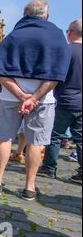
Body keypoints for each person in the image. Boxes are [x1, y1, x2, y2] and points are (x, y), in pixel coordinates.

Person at [0, 0, 72, 201]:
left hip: (10, 96)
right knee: (36, 143)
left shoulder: (12, 36)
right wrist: (33, 98)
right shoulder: (56, 35)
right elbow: (56, 74)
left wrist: (20, 95)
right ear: (46, 15)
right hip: (42, 100)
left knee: (5, 138)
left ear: (25, 14)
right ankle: (29, 188)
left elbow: (1, 73)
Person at [38, 19, 82, 184]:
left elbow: (55, 76)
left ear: (70, 32)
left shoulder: (66, 50)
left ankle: (49, 168)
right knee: (81, 138)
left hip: (64, 100)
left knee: (54, 136)